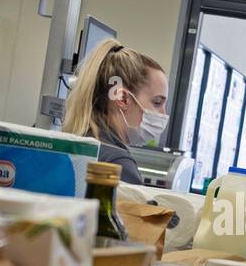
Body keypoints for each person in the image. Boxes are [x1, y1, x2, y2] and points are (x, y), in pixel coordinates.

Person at [62, 40, 169, 185]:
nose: (163, 113)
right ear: (123, 99)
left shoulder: (80, 144)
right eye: (157, 102)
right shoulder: (118, 164)